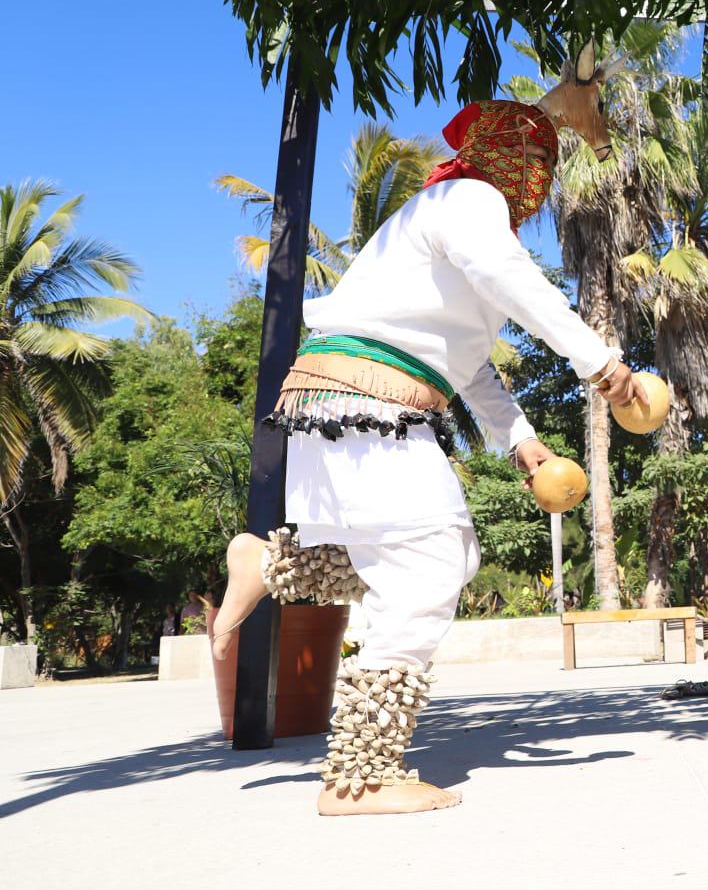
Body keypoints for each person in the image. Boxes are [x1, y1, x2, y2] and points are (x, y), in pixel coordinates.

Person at [208, 94, 649, 817]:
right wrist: (601, 363)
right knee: (435, 556)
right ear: (517, 167)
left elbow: (470, 368)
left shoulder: (442, 221)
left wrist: (522, 441)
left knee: (427, 558)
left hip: (344, 404)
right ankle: (361, 777)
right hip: (371, 405)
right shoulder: (466, 200)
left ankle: (270, 561)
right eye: (537, 161)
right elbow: (519, 285)